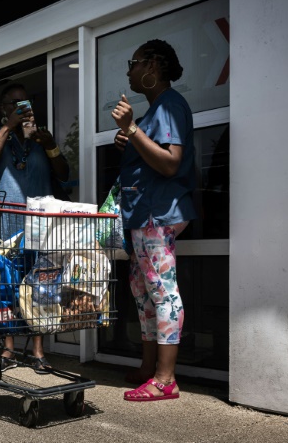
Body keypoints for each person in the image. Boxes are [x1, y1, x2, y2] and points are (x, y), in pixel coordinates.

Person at [111, 39, 196, 401]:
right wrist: (132, 138)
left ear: (154, 66)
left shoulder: (171, 104)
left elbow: (170, 162)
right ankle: (149, 369)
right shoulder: (154, 111)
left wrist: (132, 131)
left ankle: (165, 379)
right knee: (142, 292)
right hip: (142, 215)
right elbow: (151, 154)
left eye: (134, 62)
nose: (129, 69)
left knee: (162, 291)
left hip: (158, 214)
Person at [0, 83, 69, 374]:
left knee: (42, 285)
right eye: (13, 103)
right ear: (3, 109)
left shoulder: (40, 138)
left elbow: (64, 174)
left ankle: (38, 350)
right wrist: (9, 128)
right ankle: (9, 347)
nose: (21, 107)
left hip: (40, 223)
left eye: (25, 102)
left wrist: (51, 144)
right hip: (5, 224)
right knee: (7, 285)